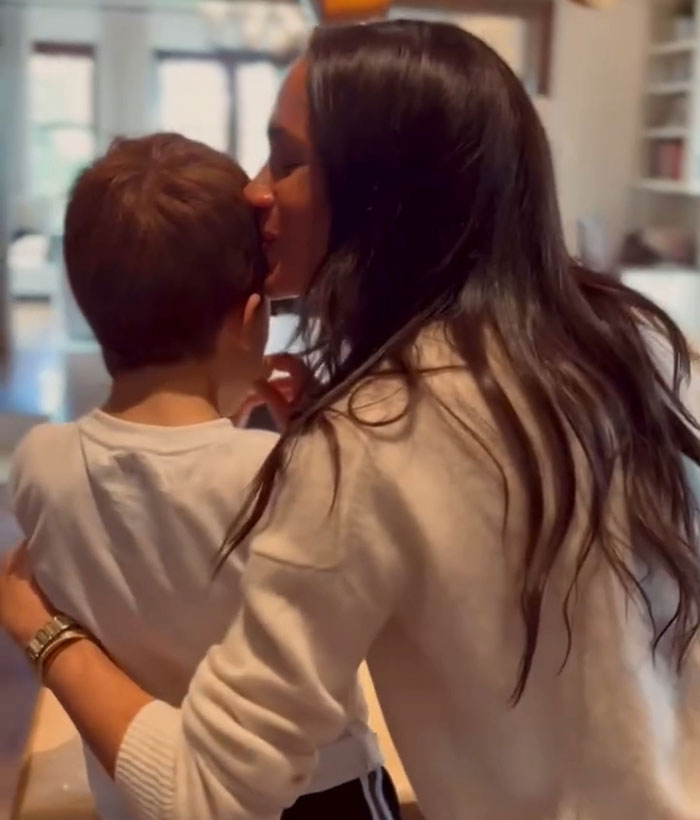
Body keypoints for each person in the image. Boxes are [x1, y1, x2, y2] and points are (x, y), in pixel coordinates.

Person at [3, 18, 700, 820]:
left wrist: (40, 627)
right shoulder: (636, 340)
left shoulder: (365, 445)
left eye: (289, 161)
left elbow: (206, 793)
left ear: (387, 195)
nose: (255, 190)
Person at [8, 133, 395, 820]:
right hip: (318, 793)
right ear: (250, 320)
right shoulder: (286, 473)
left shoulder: (39, 463)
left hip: (133, 789)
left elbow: (153, 515)